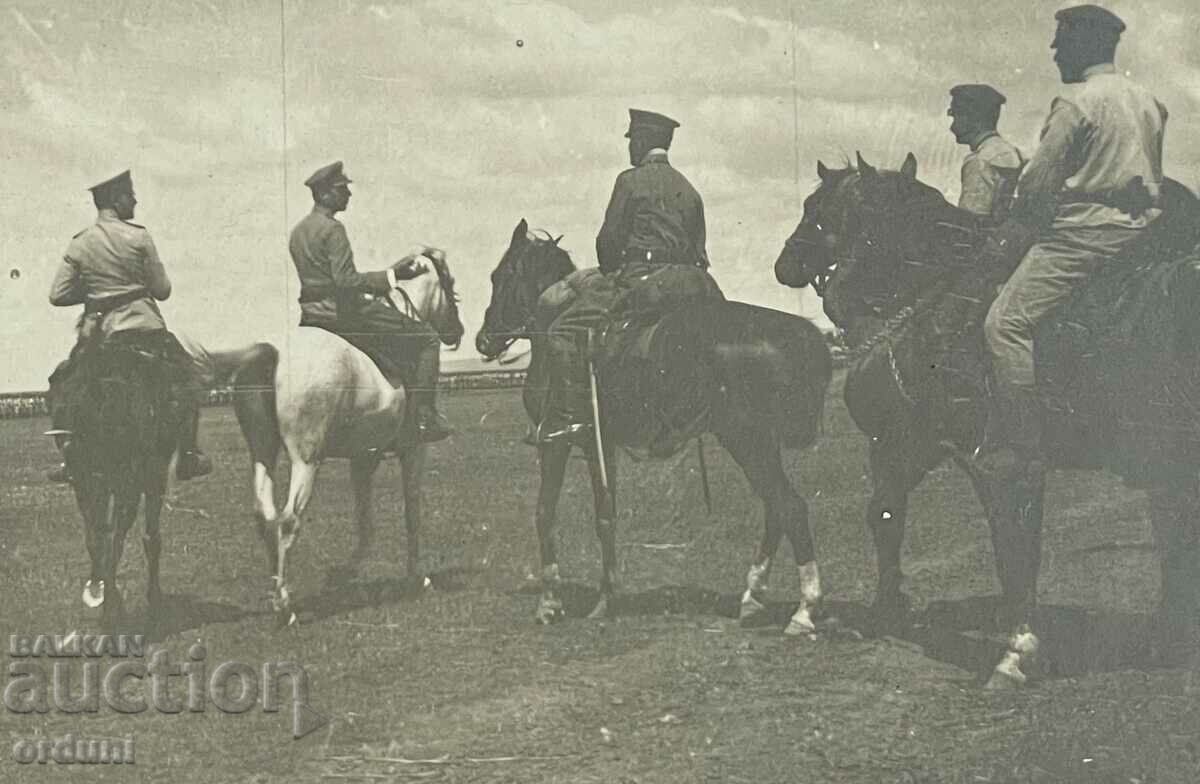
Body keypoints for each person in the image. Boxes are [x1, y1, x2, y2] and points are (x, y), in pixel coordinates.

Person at [979, 4, 1166, 471]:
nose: (1054, 50)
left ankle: (1025, 446)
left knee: (1003, 325)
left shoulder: (1078, 104)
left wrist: (1018, 222)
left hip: (1079, 239)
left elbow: (1038, 183)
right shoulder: (1148, 101)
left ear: (1084, 44)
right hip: (1142, 237)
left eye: (1061, 41)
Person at [534, 109, 723, 444]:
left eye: (633, 141)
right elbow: (699, 251)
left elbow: (608, 240)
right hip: (690, 283)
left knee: (561, 331)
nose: (630, 148)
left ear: (642, 141)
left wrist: (612, 272)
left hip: (643, 278)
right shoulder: (689, 189)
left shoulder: (629, 181)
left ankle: (570, 419)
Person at [46, 170, 211, 483]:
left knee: (64, 383)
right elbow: (162, 290)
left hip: (100, 335)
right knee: (187, 377)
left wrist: (95, 291)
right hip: (144, 328)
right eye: (129, 194)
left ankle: (70, 456)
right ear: (115, 199)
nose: (134, 199)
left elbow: (58, 294)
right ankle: (188, 454)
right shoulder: (139, 237)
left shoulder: (79, 244)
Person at [289, 161, 451, 443]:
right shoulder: (333, 230)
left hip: (311, 315)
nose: (348, 195)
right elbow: (345, 281)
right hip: (342, 314)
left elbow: (324, 280)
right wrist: (393, 275)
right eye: (342, 190)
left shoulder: (298, 232)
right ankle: (424, 416)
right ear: (325, 194)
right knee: (427, 339)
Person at [947, 84, 1024, 224]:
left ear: (973, 118)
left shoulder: (979, 161)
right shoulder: (1012, 152)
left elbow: (970, 222)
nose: (952, 127)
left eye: (955, 115)